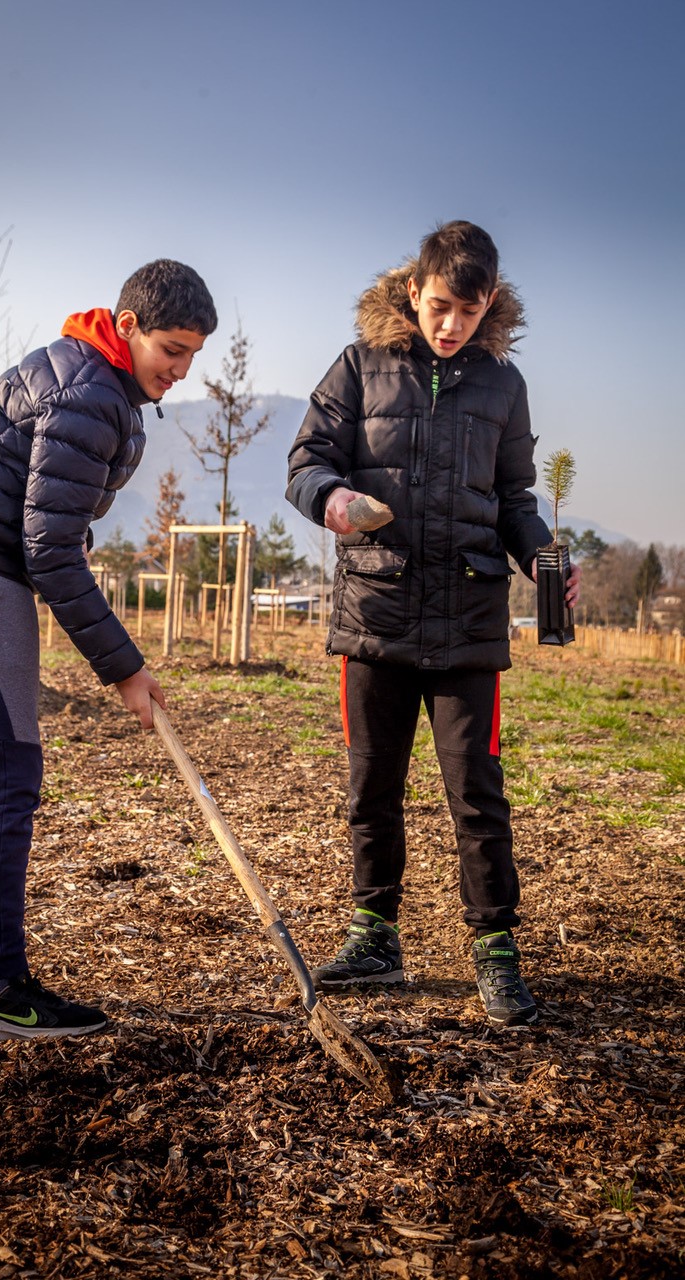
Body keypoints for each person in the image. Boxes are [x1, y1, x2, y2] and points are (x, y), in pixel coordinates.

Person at [0, 259, 217, 1040]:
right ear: (128, 327)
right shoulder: (92, 395)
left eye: (193, 357)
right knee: (3, 773)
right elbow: (50, 550)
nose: (179, 371)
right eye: (171, 350)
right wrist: (125, 668)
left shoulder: (79, 372)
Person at [286, 221, 579, 1026]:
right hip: (373, 613)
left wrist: (544, 555)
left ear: (490, 306)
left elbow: (514, 498)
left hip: (467, 624)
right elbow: (305, 463)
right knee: (370, 786)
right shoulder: (357, 365)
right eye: (440, 306)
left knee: (476, 795)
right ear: (412, 292)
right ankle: (374, 936)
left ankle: (495, 950)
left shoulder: (501, 384)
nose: (452, 326)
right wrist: (333, 501)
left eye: (470, 311)